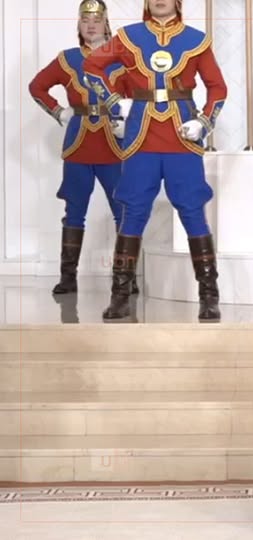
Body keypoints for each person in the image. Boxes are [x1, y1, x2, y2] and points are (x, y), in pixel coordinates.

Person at [82, 0, 227, 321]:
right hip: (140, 137)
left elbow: (218, 88)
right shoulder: (128, 36)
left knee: (192, 211)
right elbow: (92, 66)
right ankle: (120, 295)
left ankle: (209, 296)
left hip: (182, 137)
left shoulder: (196, 39)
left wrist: (204, 122)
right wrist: (114, 102)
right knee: (133, 211)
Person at [28, 0, 134, 295]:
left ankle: (126, 277)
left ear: (106, 24)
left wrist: (128, 121)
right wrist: (58, 111)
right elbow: (37, 86)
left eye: (97, 21)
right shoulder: (68, 59)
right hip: (78, 146)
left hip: (114, 146)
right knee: (74, 211)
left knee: (123, 211)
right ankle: (68, 277)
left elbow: (139, 96)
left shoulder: (122, 59)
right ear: (78, 24)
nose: (91, 26)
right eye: (85, 21)